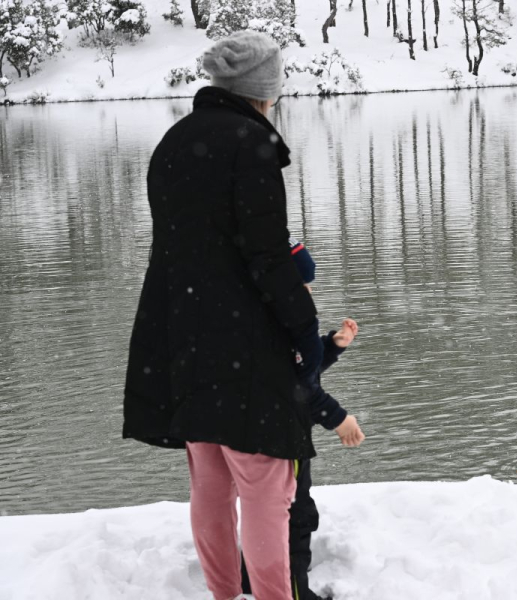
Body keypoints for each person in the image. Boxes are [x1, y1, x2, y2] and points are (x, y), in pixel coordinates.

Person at [122, 30, 361, 600]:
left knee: (209, 484)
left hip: (182, 337)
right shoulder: (250, 145)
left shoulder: (175, 140)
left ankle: (225, 596)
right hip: (244, 347)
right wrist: (304, 332)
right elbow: (266, 256)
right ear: (265, 91)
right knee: (265, 486)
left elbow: (192, 249)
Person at [239, 240, 365, 600]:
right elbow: (299, 389)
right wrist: (339, 419)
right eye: (304, 287)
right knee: (294, 518)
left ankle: (254, 580)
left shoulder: (257, 320)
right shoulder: (283, 326)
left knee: (263, 513)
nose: (309, 294)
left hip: (257, 436)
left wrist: (332, 346)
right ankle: (292, 590)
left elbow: (299, 372)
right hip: (283, 441)